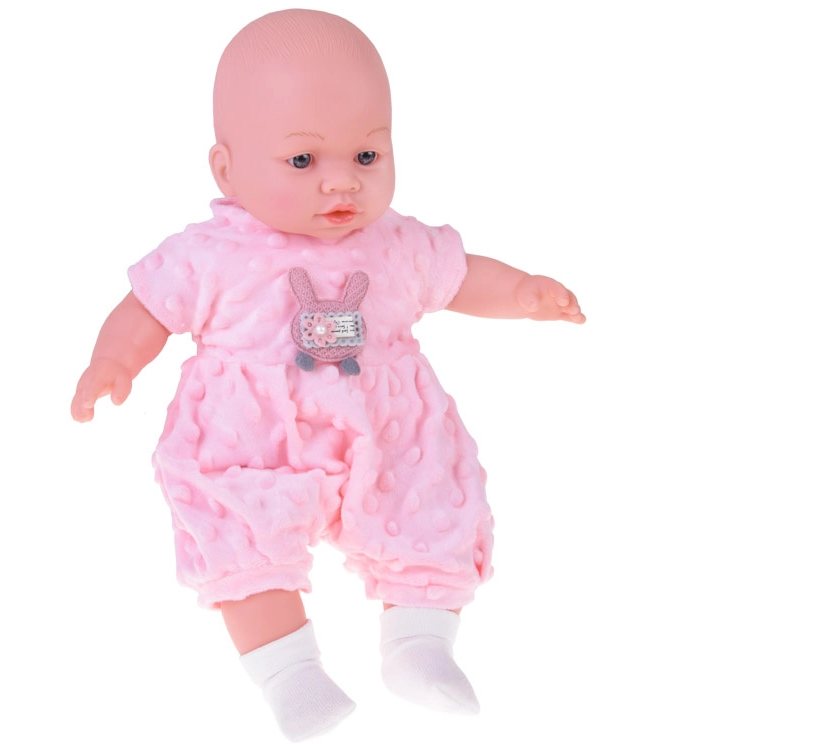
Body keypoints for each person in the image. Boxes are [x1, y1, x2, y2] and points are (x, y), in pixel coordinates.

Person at [71, 9, 584, 742]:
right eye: (303, 161)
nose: (341, 182)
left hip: (389, 425)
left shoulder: (396, 242)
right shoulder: (210, 254)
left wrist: (524, 293)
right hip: (251, 437)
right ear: (226, 170)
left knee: (431, 504)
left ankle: (419, 647)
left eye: (367, 155)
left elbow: (462, 277)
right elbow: (147, 307)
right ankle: (290, 675)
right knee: (239, 535)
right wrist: (114, 360)